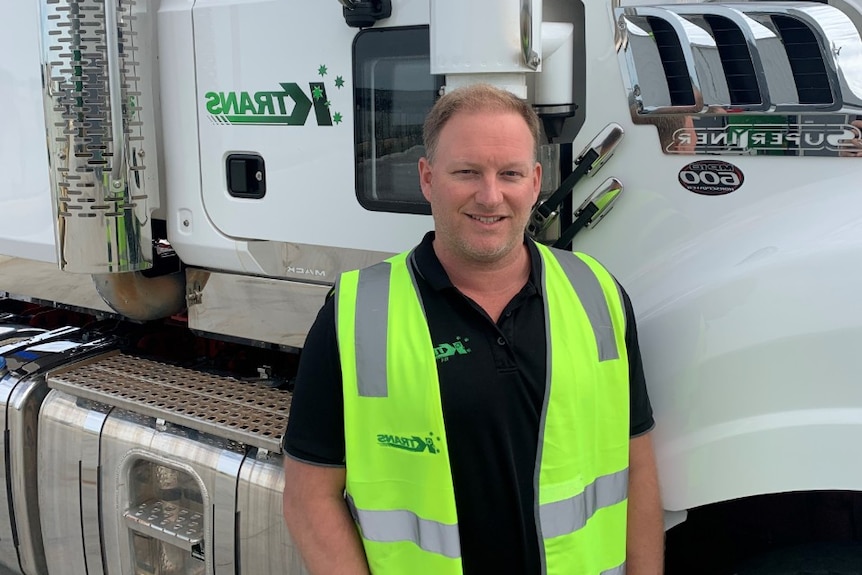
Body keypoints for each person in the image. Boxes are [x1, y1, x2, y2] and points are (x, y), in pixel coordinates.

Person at [282, 83, 663, 575]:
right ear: (427, 178)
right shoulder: (356, 313)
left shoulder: (598, 294)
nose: (490, 195)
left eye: (510, 173)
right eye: (466, 172)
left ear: (535, 181)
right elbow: (310, 498)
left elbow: (639, 465)